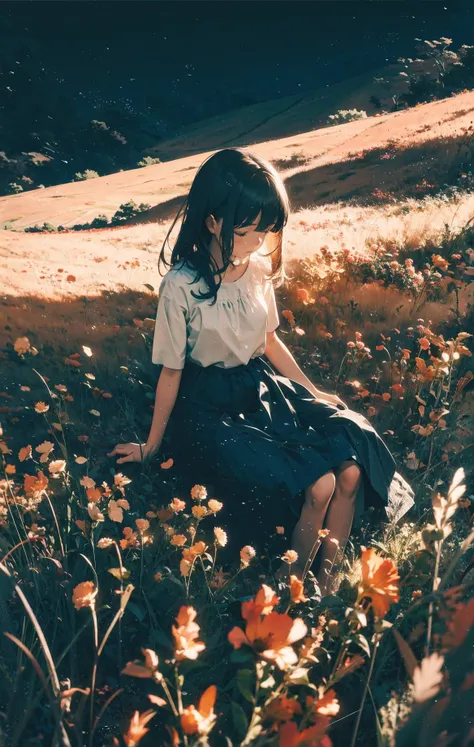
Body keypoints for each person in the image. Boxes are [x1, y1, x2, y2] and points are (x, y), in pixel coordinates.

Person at [108, 147, 414, 595]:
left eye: (270, 229)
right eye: (252, 231)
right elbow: (171, 372)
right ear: (213, 222)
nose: (261, 242)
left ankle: (325, 587)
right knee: (320, 482)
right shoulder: (181, 287)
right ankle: (291, 590)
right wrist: (153, 445)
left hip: (263, 389)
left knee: (349, 465)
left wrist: (312, 391)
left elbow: (269, 341)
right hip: (211, 405)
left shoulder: (256, 272)